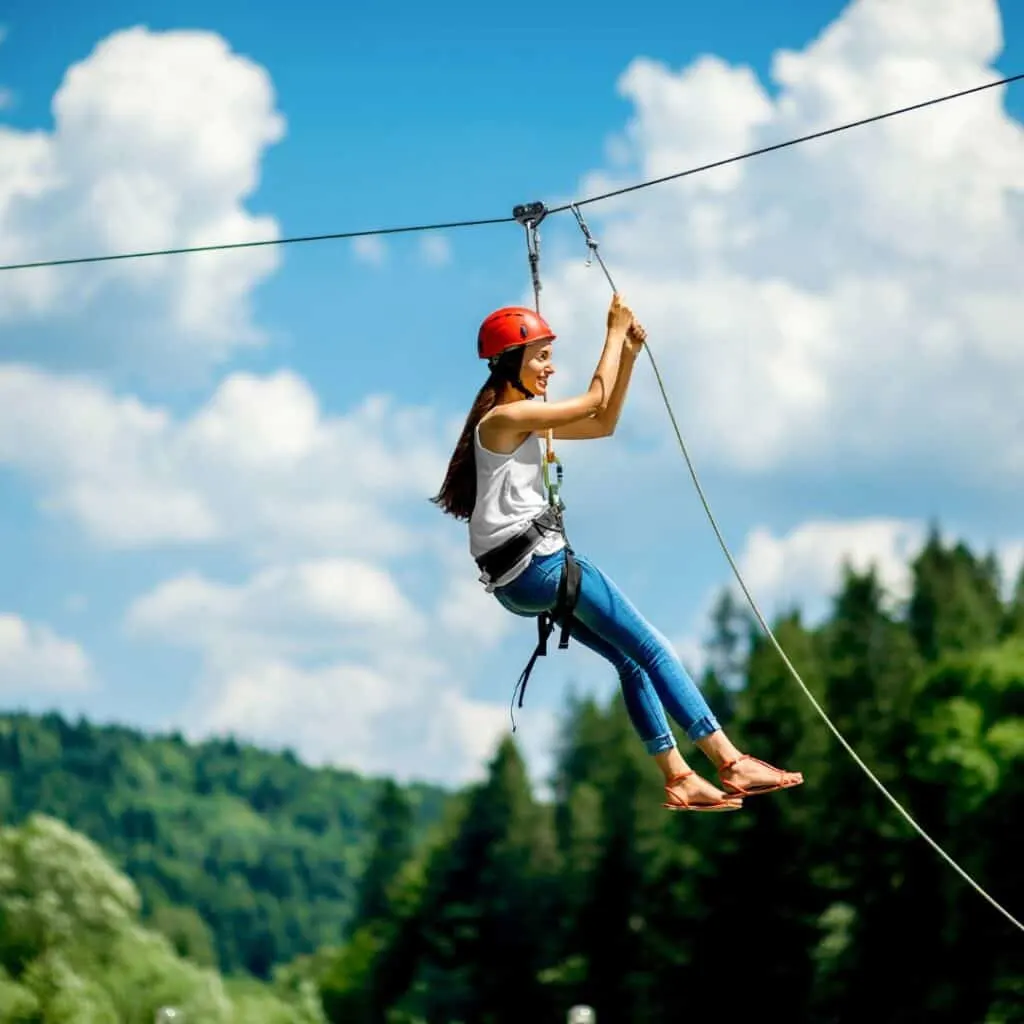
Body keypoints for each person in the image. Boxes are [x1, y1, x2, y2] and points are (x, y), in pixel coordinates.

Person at [432, 293, 803, 812]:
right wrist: (611, 332)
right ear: (511, 362)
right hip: (540, 568)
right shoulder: (504, 417)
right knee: (653, 648)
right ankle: (728, 758)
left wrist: (625, 357)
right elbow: (589, 402)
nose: (549, 366)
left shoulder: (516, 419)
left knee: (630, 662)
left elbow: (601, 423)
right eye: (540, 356)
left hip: (516, 583)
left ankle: (678, 776)